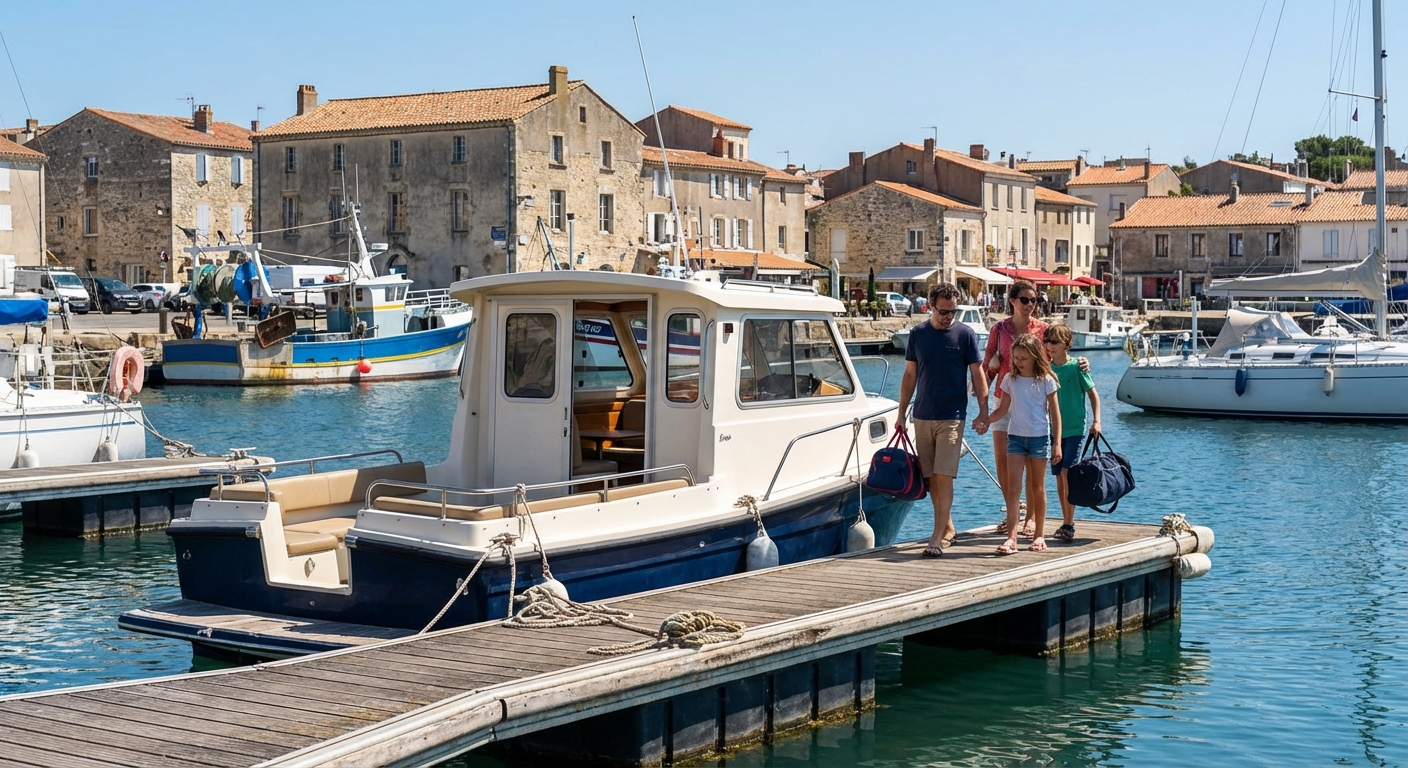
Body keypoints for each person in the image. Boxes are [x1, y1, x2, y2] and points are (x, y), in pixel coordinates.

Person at [983, 280, 1088, 533]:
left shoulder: (1043, 330)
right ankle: (1014, 513)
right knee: (1003, 463)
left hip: (1033, 401)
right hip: (1003, 398)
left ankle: (1030, 516)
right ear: (1012, 301)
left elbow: (1060, 356)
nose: (1030, 304)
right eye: (1025, 300)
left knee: (1033, 463)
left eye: (1034, 300)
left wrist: (1081, 363)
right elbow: (987, 365)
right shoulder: (999, 329)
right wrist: (981, 404)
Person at [896, 282, 989, 557]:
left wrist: (983, 411)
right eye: (944, 311)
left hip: (952, 415)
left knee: (944, 475)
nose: (949, 317)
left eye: (953, 312)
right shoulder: (918, 334)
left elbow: (978, 374)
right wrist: (901, 413)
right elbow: (910, 375)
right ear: (931, 307)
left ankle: (936, 537)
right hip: (922, 414)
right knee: (931, 478)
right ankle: (947, 527)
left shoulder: (965, 335)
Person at [975, 333, 1060, 554]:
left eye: (1023, 358)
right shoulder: (1009, 380)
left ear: (1035, 357)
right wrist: (985, 420)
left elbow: (1055, 415)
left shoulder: (1046, 381)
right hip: (1015, 438)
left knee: (1037, 487)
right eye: (1015, 358)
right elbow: (1003, 410)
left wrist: (1057, 443)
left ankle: (1039, 535)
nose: (1018, 362)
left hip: (1039, 439)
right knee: (1013, 489)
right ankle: (1011, 539)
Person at [1044, 324, 1101, 542]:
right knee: (1059, 476)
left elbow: (1093, 395)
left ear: (1067, 344)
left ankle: (1069, 523)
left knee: (1068, 473)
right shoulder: (1047, 369)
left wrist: (1097, 421)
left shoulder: (1077, 367)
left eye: (1055, 342)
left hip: (1075, 430)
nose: (1050, 346)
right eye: (1048, 342)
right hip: (1054, 433)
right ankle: (1066, 520)